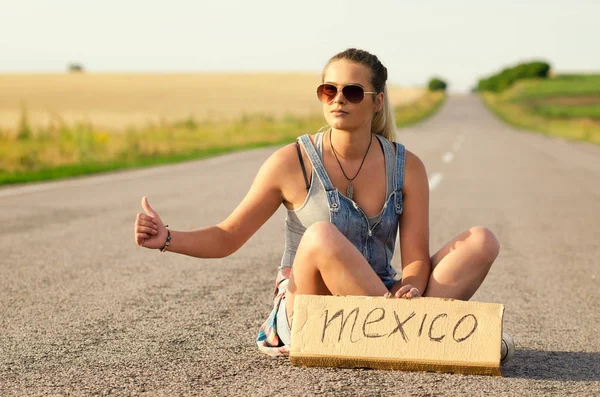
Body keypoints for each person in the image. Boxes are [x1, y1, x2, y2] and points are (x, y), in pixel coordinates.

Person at [134, 48, 514, 364]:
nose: (337, 99)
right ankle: (423, 336)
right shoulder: (292, 161)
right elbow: (227, 236)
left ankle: (399, 332)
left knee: (481, 241)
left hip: (377, 293)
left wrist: (413, 287)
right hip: (310, 310)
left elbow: (415, 258)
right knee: (319, 237)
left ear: (377, 101)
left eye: (351, 92)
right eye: (327, 90)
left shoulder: (406, 166)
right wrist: (166, 237)